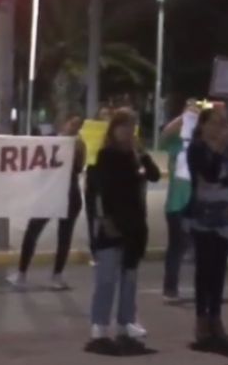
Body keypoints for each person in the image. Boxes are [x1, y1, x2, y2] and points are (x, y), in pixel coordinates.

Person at [89, 108, 160, 342]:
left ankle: (126, 321)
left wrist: (142, 154)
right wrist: (105, 220)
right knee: (106, 278)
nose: (128, 131)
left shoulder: (135, 155)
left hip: (135, 224)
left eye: (131, 126)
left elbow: (154, 175)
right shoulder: (106, 155)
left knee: (129, 277)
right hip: (112, 222)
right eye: (123, 126)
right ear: (114, 129)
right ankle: (100, 322)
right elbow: (101, 191)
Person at [7, 116, 86, 291]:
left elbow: (78, 168)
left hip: (67, 195)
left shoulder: (78, 145)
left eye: (78, 125)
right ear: (64, 124)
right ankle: (23, 273)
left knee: (63, 236)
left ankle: (56, 275)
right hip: (51, 194)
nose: (75, 127)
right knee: (33, 232)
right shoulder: (51, 141)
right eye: (72, 123)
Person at [186, 107, 228, 344]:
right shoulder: (197, 148)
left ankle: (216, 317)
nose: (220, 127)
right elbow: (209, 174)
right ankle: (201, 320)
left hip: (227, 212)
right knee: (204, 269)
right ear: (203, 125)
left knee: (219, 269)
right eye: (216, 122)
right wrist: (219, 148)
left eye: (224, 123)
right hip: (205, 214)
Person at [160, 99, 199, 301]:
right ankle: (170, 288)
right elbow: (165, 134)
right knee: (176, 247)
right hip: (177, 203)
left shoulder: (199, 144)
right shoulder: (176, 143)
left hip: (198, 202)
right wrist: (183, 118)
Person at [84, 107, 113, 264]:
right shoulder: (92, 134)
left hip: (108, 181)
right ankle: (94, 249)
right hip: (93, 179)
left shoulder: (114, 138)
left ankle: (105, 248)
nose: (105, 118)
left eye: (107, 115)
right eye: (102, 115)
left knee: (106, 215)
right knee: (92, 216)